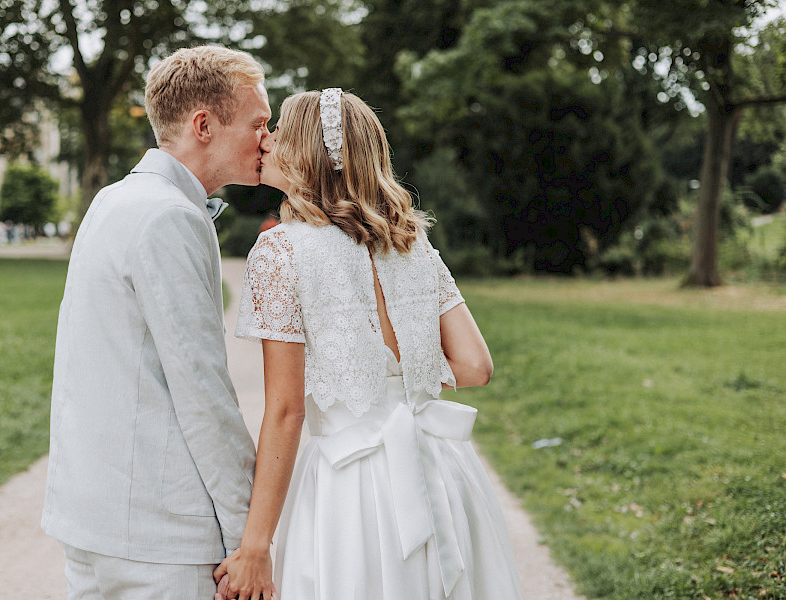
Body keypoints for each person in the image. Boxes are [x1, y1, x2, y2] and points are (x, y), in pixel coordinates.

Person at [216, 89, 525, 599]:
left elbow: (287, 411)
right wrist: (407, 380)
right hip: (440, 474)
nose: (264, 140)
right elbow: (475, 365)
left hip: (351, 487)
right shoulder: (412, 243)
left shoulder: (280, 251)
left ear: (305, 152)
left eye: (278, 132)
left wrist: (256, 546)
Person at [41, 46, 275, 600]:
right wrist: (250, 539)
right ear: (204, 124)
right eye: (258, 123)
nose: (267, 139)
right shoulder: (170, 216)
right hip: (157, 535)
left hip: (91, 518)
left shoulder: (113, 200)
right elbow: (202, 392)